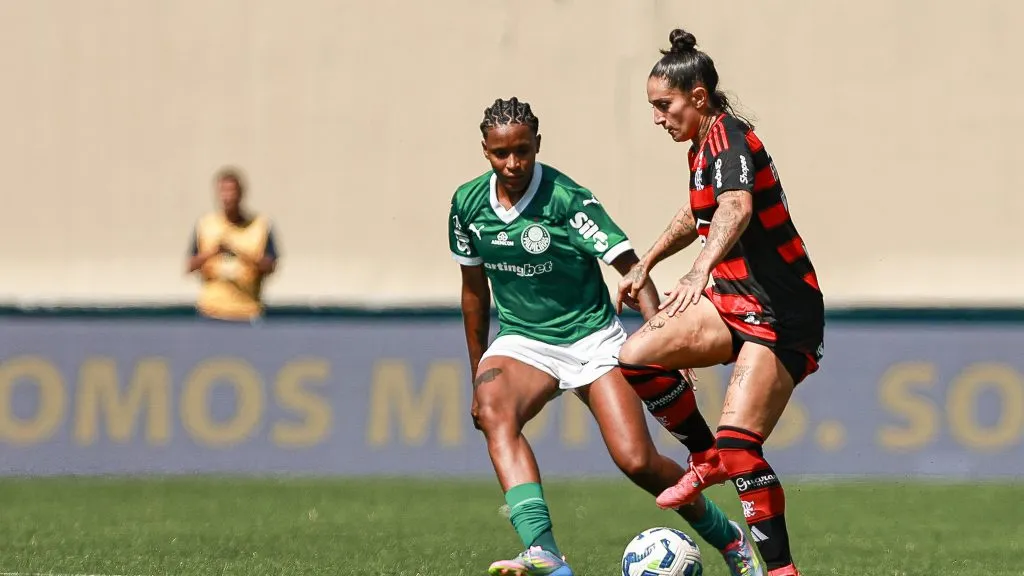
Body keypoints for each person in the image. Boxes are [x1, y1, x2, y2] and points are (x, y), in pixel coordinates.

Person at [449, 97, 763, 576]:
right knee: (494, 412)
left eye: (523, 151)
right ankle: (543, 552)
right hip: (524, 340)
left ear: (537, 144)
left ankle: (730, 538)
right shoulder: (467, 204)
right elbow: (474, 292)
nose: (513, 164)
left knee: (637, 461)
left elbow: (634, 272)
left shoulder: (567, 199)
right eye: (500, 153)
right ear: (484, 151)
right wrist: (477, 372)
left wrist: (664, 345)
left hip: (593, 339)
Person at [615, 29, 826, 576]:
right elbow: (698, 211)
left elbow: (735, 208)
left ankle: (780, 570)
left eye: (664, 105)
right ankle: (703, 456)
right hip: (733, 299)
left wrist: (699, 268)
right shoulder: (700, 146)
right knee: (636, 357)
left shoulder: (731, 140)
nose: (657, 118)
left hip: (781, 312)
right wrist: (647, 261)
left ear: (698, 96)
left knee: (742, 448)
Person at [187, 167, 280, 323]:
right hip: (211, 312)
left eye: (232, 191)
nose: (228, 197)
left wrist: (240, 253)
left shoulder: (259, 225)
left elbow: (271, 266)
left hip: (247, 312)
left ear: (241, 193)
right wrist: (213, 252)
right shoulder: (206, 225)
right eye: (224, 191)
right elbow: (190, 265)